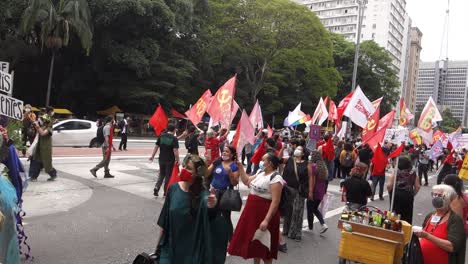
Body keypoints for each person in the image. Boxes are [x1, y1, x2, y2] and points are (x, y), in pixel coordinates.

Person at [156, 155, 229, 264]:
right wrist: (158, 248)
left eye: (189, 168)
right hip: (170, 249)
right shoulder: (173, 189)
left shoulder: (203, 196)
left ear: (197, 174)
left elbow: (212, 218)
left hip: (191, 254)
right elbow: (164, 222)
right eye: (184, 166)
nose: (184, 169)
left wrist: (213, 206)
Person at [228, 153, 284, 264]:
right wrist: (240, 168)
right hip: (252, 214)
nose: (261, 162)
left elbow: (275, 201)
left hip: (265, 214)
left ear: (270, 163)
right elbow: (247, 181)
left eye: (263, 160)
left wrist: (266, 220)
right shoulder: (260, 173)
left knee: (266, 246)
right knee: (254, 245)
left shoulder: (276, 178)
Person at [414, 184, 466, 264]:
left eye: (440, 195)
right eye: (434, 194)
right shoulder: (430, 215)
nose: (436, 197)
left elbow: (452, 246)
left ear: (448, 198)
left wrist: (427, 236)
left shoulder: (455, 220)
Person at [206, 145, 240, 243]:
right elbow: (207, 173)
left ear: (232, 154)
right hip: (213, 192)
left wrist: (230, 173)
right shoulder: (217, 162)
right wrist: (208, 162)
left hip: (225, 194)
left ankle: (231, 240)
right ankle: (211, 235)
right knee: (211, 214)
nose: (224, 153)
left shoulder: (234, 166)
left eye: (227, 151)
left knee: (226, 217)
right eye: (223, 151)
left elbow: (235, 183)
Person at [281, 145, 309, 241]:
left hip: (299, 191)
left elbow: (310, 179)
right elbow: (278, 160)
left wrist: (310, 192)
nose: (297, 150)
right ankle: (286, 230)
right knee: (288, 210)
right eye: (297, 148)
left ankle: (296, 233)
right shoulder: (289, 160)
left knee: (297, 212)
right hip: (287, 189)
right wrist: (282, 148)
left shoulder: (306, 164)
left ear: (303, 153)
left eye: (300, 149)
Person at [387, 157, 420, 224]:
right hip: (408, 194)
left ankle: (393, 228)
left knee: (395, 213)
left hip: (397, 194)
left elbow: (389, 185)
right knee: (407, 214)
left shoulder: (396, 171)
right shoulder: (413, 173)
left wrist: (390, 192)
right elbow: (417, 186)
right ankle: (405, 229)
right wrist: (412, 194)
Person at [149, 124, 180, 197]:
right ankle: (166, 191)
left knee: (161, 174)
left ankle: (157, 187)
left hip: (161, 159)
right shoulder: (174, 138)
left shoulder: (161, 136)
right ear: (174, 130)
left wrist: (152, 156)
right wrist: (177, 159)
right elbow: (175, 150)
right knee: (168, 176)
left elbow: (156, 146)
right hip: (170, 160)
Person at [29, 107, 58, 181]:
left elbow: (42, 133)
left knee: (46, 162)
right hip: (39, 146)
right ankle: (34, 177)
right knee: (36, 161)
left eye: (42, 119)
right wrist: (35, 124)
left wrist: (37, 126)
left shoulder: (49, 127)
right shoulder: (43, 126)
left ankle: (53, 174)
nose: (40, 120)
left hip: (45, 148)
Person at [307, 150, 329, 233]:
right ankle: (323, 224)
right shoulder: (323, 166)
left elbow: (312, 180)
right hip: (321, 191)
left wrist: (310, 191)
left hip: (314, 190)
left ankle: (310, 227)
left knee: (310, 209)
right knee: (315, 209)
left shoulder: (313, 166)